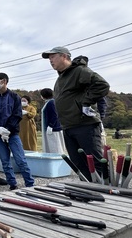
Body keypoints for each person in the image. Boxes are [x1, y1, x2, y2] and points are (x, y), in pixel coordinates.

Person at [42, 47, 110, 181]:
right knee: (78, 163)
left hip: (85, 124)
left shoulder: (79, 71)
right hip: (68, 126)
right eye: (49, 58)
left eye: (53, 56)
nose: (50, 60)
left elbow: (102, 85)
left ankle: (106, 191)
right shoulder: (61, 78)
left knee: (94, 161)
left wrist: (86, 103)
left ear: (64, 57)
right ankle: (88, 189)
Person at [0, 73, 34, 190]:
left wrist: (7, 129)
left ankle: (30, 184)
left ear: (5, 81)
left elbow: (17, 115)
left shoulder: (14, 97)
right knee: (5, 161)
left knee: (20, 160)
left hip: (12, 133)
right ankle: (12, 184)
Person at [40, 88, 66, 154]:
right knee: (51, 147)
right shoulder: (48, 102)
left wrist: (51, 125)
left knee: (55, 147)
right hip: (51, 128)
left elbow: (55, 115)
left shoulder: (51, 102)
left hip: (54, 129)